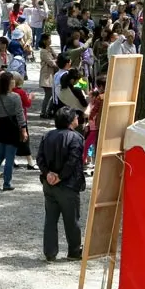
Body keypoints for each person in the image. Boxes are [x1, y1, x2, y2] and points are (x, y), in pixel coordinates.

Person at [37, 107, 86, 261]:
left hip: (49, 184)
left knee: (50, 219)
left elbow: (40, 158)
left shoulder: (47, 135)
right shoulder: (76, 138)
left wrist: (48, 174)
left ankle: (50, 252)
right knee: (71, 220)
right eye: (76, 117)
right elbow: (73, 161)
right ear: (71, 121)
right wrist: (61, 176)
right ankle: (74, 250)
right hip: (68, 185)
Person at [38, 33, 58, 118]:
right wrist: (56, 61)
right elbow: (51, 63)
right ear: (44, 41)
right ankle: (44, 112)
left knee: (51, 94)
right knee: (48, 94)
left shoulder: (50, 49)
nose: (50, 40)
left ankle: (47, 111)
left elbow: (56, 57)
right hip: (46, 75)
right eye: (49, 39)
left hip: (51, 75)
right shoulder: (43, 51)